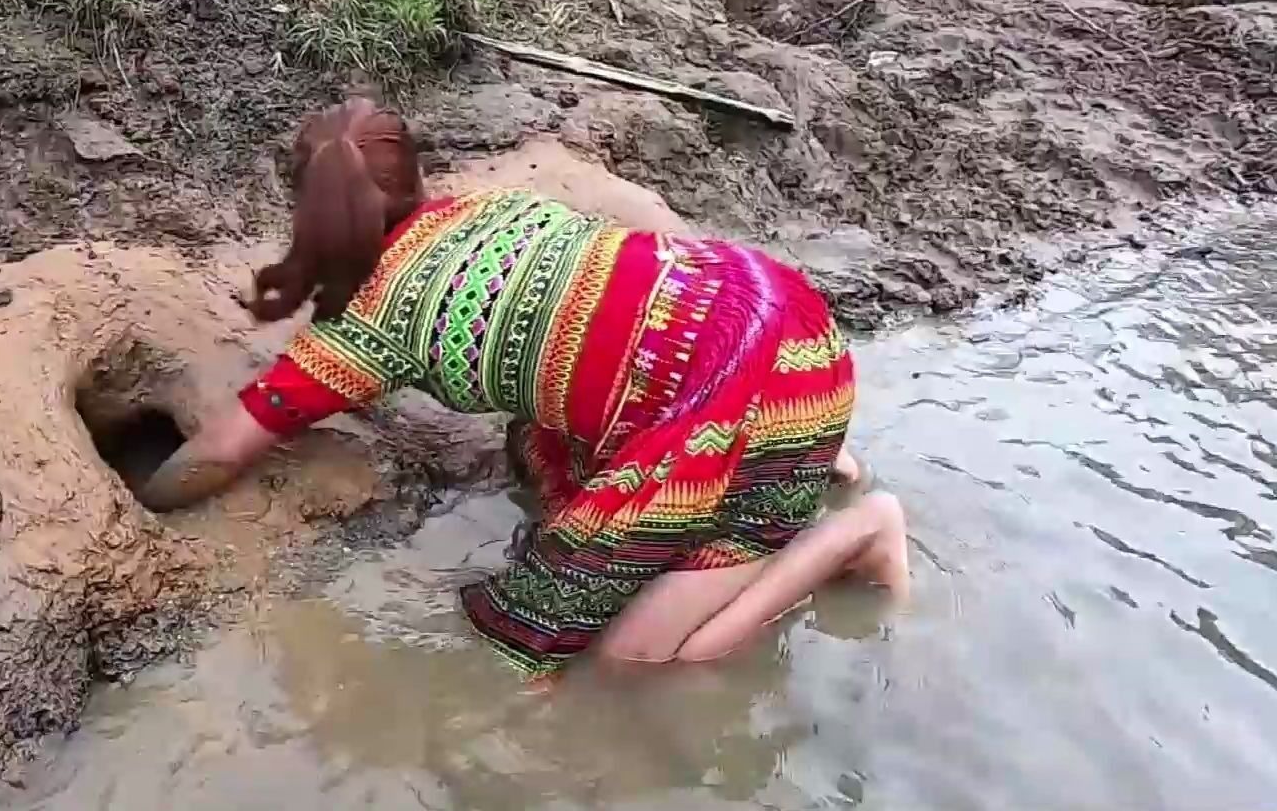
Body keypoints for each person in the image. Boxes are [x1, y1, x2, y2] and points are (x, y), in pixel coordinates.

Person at [138, 98, 909, 678]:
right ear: (417, 175)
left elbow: (220, 451)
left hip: (745, 399)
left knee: (634, 661)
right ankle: (819, 460)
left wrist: (147, 500)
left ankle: (854, 532)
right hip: (778, 311)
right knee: (542, 437)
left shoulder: (366, 329)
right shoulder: (489, 207)